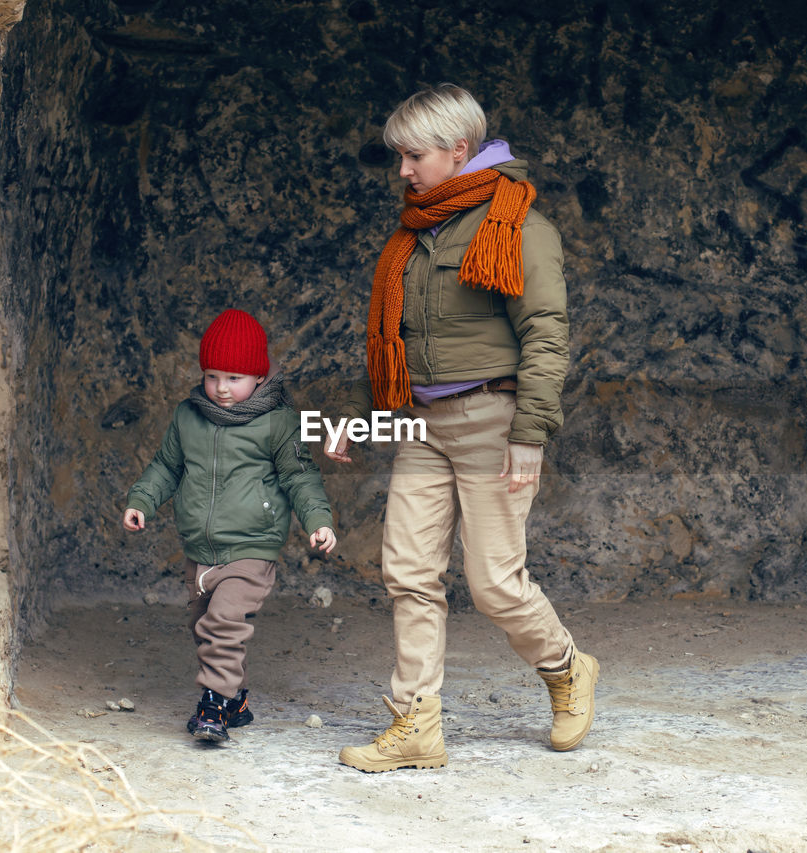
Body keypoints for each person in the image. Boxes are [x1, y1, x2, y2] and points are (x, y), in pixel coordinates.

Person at [326, 83, 598, 771]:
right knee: (409, 572)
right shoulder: (417, 230)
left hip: (491, 418)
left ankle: (567, 668)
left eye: (414, 155)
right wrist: (364, 425)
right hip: (419, 421)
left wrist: (529, 436)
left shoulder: (519, 225)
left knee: (494, 582)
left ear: (459, 150)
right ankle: (415, 722)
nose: (404, 171)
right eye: (400, 157)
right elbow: (397, 338)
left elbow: (544, 333)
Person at [123, 308, 337, 742]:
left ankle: (213, 708)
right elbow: (166, 465)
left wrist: (317, 520)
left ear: (258, 377)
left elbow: (300, 475)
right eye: (213, 376)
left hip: (252, 547)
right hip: (201, 552)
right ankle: (235, 700)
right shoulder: (188, 416)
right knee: (204, 627)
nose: (221, 388)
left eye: (234, 378)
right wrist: (142, 500)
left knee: (223, 621)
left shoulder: (276, 421)